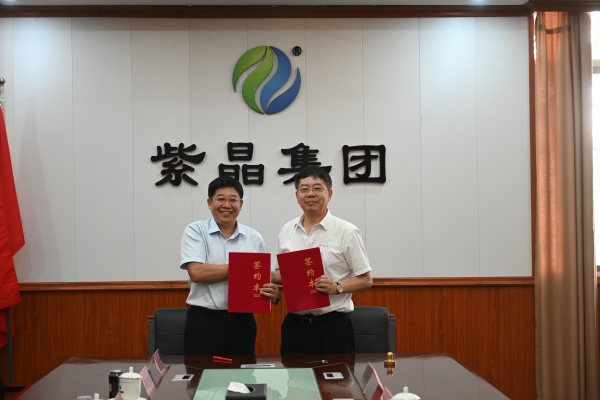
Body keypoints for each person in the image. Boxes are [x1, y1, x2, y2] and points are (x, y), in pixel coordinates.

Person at [272, 166, 373, 354]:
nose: (310, 194)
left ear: (330, 194)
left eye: (317, 188)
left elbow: (366, 280)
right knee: (294, 374)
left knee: (337, 374)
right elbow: (283, 275)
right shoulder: (287, 230)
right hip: (295, 326)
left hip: (333, 326)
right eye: (304, 189)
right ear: (297, 196)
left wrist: (336, 287)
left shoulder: (347, 231)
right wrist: (268, 276)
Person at [180, 176, 280, 355]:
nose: (227, 205)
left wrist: (274, 294)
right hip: (204, 322)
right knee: (202, 373)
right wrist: (243, 268)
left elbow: (266, 275)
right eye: (220, 199)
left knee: (243, 373)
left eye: (233, 200)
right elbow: (197, 272)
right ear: (209, 203)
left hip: (243, 323)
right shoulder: (196, 231)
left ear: (241, 204)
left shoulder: (254, 237)